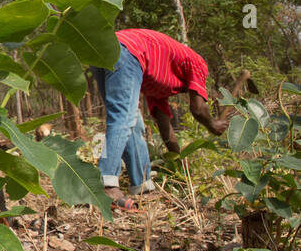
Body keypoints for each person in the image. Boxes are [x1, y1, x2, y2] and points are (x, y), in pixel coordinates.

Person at [91, 28, 227, 210]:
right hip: (127, 50)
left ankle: (143, 187)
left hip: (102, 50)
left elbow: (165, 128)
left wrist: (178, 162)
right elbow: (198, 108)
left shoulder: (159, 85)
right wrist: (213, 125)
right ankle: (107, 185)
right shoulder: (198, 64)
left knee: (133, 124)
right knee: (123, 118)